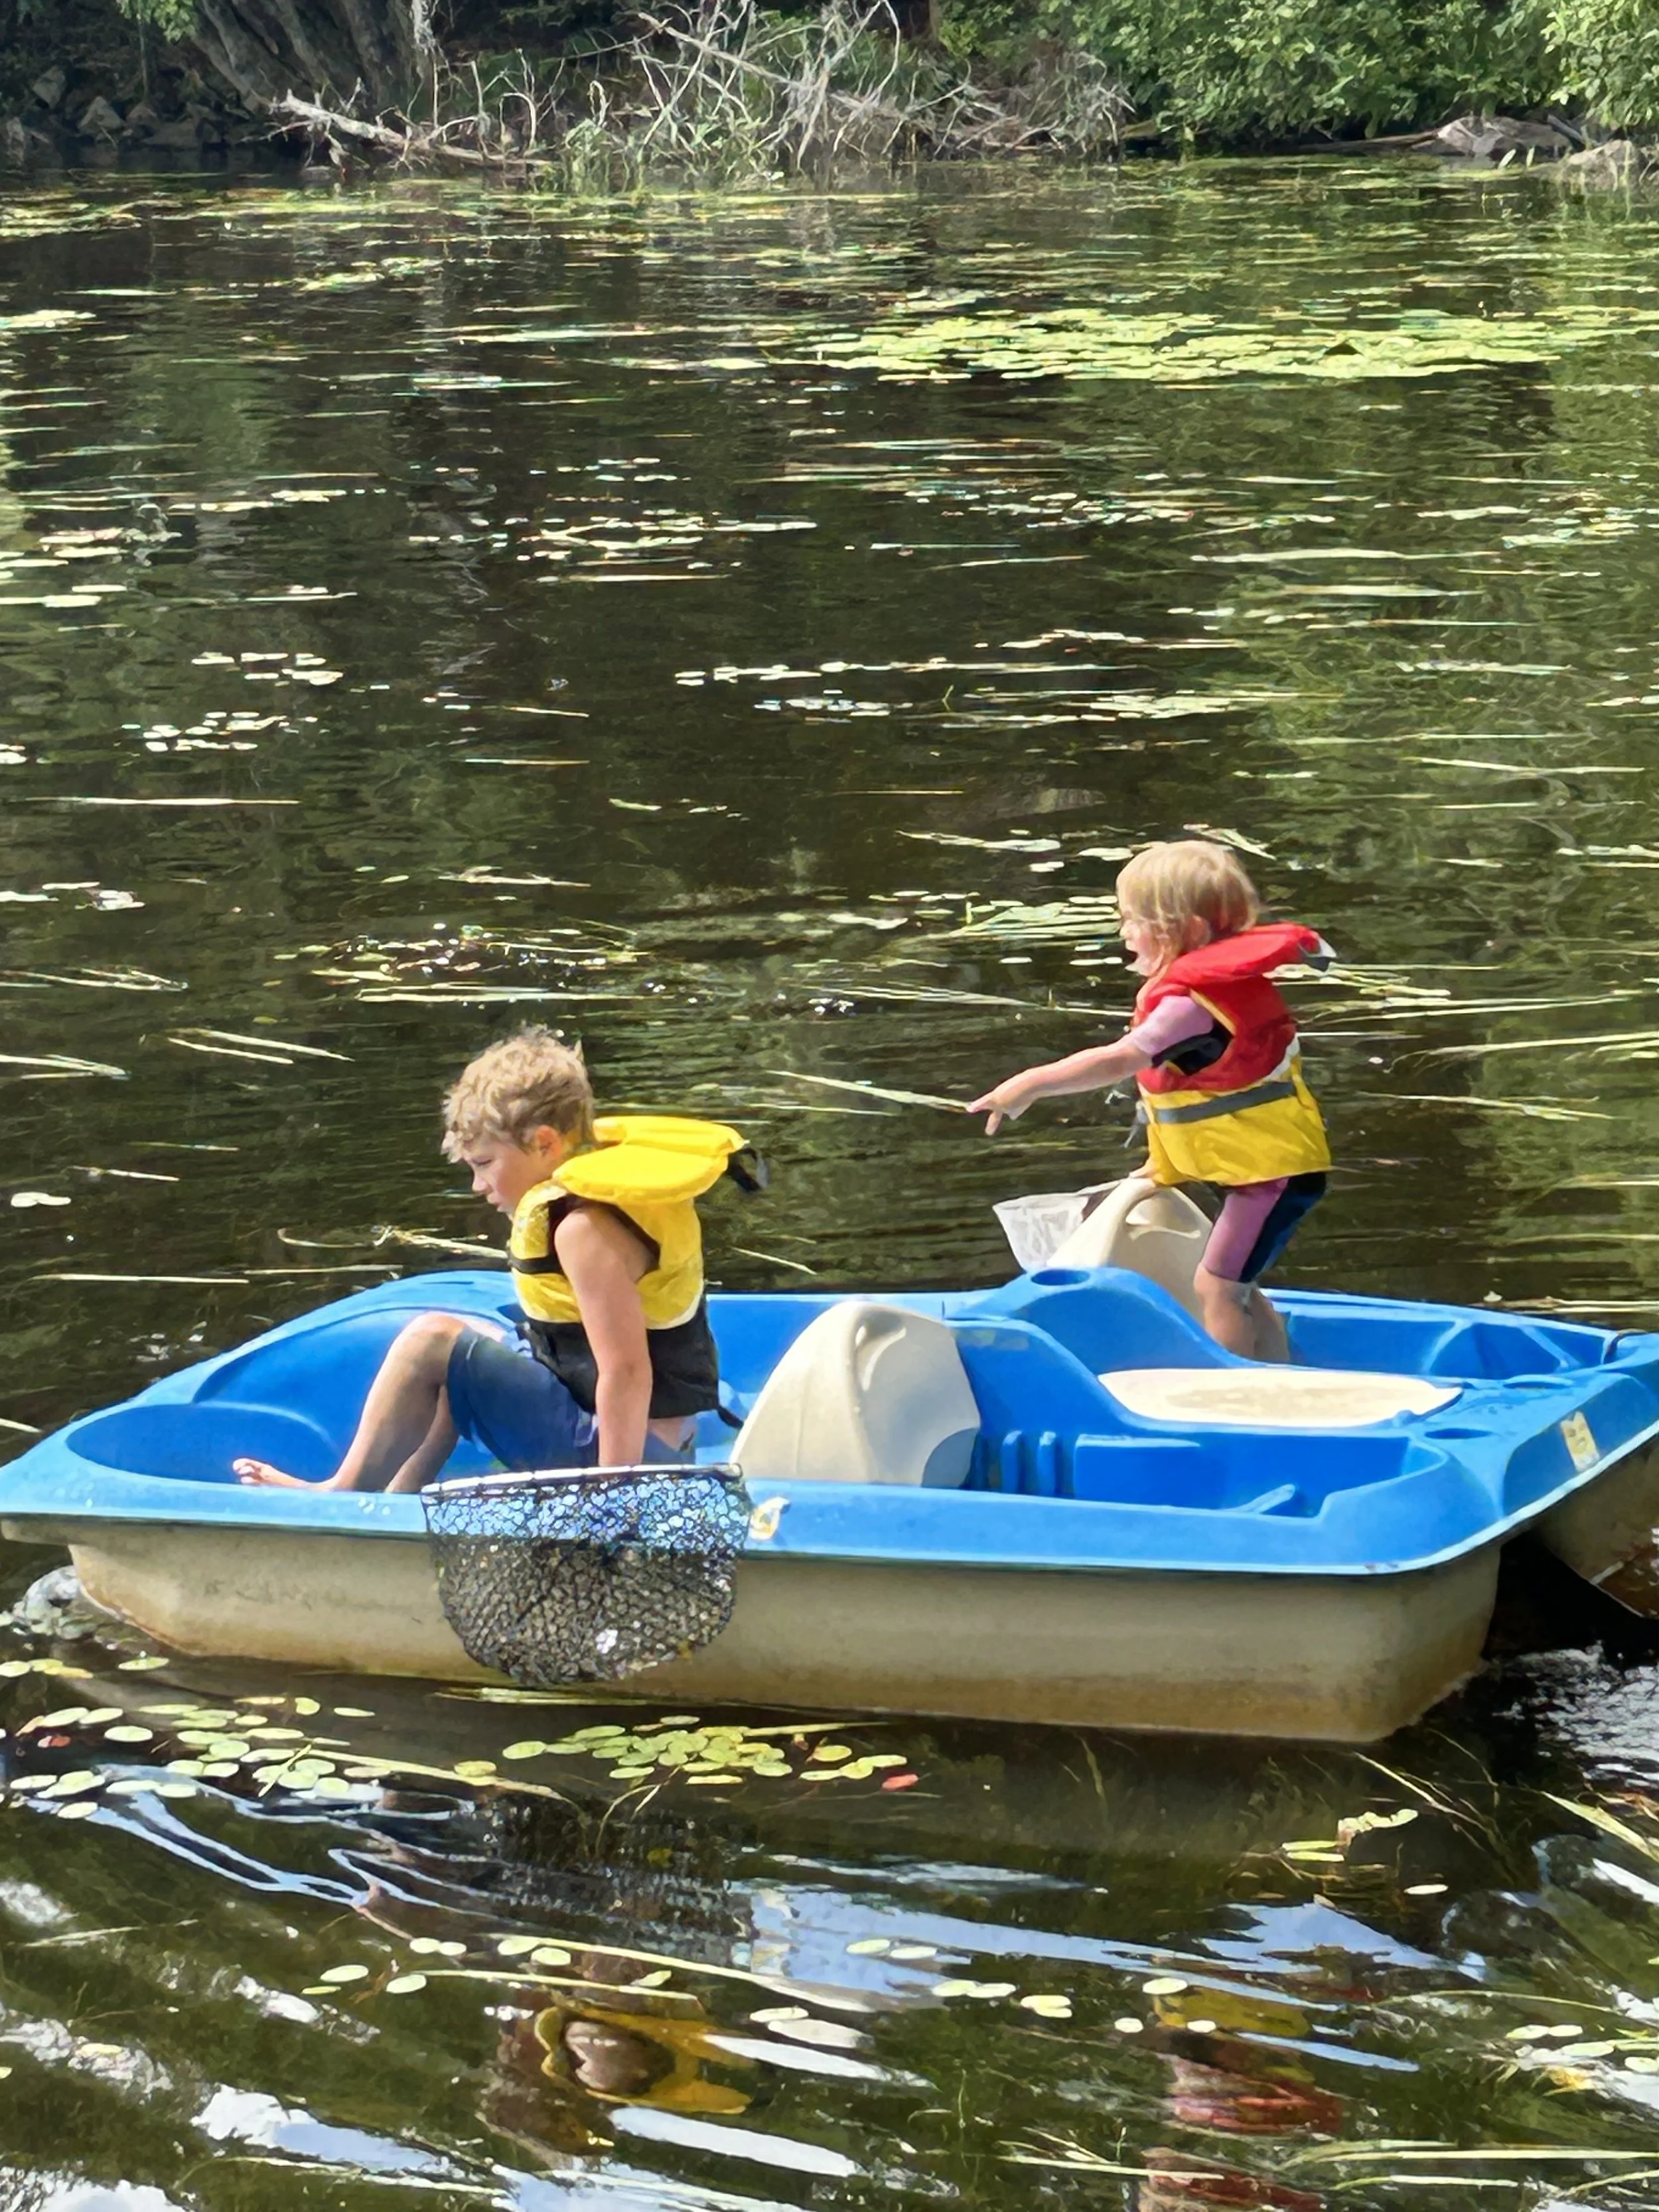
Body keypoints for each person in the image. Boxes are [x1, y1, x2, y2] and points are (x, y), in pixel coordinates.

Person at [235, 1028, 751, 1490]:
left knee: (430, 1342)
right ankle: (398, 1501)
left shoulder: (582, 1229)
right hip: (642, 1441)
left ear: (544, 1143)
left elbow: (627, 1373)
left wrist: (612, 1499)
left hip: (629, 1459)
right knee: (474, 1347)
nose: (478, 1185)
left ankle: (341, 1494)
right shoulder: (590, 1201)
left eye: (484, 1164)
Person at [969, 840, 1331, 1363]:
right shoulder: (1207, 993)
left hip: (1273, 1179)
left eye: (1132, 919)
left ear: (1183, 930)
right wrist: (1158, 1167)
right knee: (1237, 1286)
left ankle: (1243, 1394)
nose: (1124, 932)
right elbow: (1194, 1102)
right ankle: (1280, 1373)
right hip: (1266, 1170)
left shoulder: (1187, 1006)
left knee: (1217, 1287)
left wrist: (1030, 1083)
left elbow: (1121, 1060)